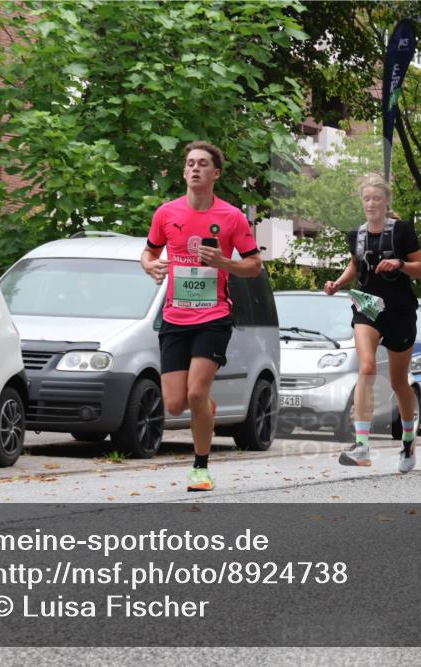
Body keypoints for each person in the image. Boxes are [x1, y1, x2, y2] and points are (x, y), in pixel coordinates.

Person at [141, 141, 262, 491]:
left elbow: (254, 266)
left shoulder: (231, 217)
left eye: (203, 164)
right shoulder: (166, 213)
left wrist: (224, 262)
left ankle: (200, 467)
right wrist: (151, 267)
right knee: (176, 404)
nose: (195, 168)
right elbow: (147, 253)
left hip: (214, 317)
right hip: (175, 318)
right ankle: (204, 405)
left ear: (215, 173)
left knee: (194, 394)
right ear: (184, 172)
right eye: (190, 163)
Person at [324, 173, 421, 473]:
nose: (371, 204)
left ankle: (408, 438)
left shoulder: (402, 231)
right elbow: (356, 264)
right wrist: (338, 283)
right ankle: (362, 446)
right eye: (367, 199)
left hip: (399, 309)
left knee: (398, 382)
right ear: (362, 201)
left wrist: (400, 264)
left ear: (386, 202)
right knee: (367, 367)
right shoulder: (356, 234)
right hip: (367, 306)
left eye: (377, 199)